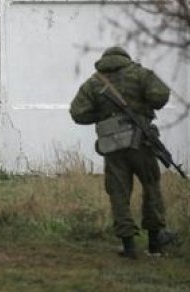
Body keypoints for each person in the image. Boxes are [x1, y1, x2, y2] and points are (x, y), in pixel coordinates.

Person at [69, 46, 175, 259]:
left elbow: (78, 113)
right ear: (126, 58)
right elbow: (161, 96)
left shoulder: (94, 83)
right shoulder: (140, 74)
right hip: (141, 144)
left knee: (118, 194)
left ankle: (129, 247)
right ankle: (155, 244)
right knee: (151, 187)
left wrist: (104, 118)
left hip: (113, 147)